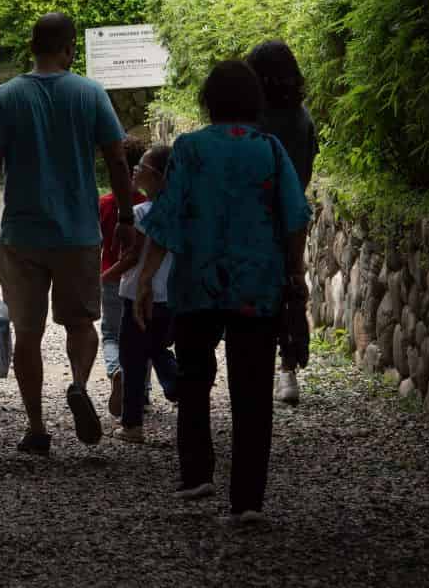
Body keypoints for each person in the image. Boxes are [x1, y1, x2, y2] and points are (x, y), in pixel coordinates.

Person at [134, 59, 311, 522]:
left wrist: (147, 280)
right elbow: (295, 218)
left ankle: (197, 476)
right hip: (258, 283)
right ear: (253, 101)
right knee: (252, 392)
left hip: (198, 283)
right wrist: (295, 273)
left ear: (209, 101)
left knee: (194, 380)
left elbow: (166, 216)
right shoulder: (270, 149)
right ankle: (247, 501)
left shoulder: (191, 149)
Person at [0, 12, 135, 455]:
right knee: (81, 323)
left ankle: (37, 426)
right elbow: (117, 160)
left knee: (28, 334)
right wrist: (128, 217)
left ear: (31, 46)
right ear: (69, 48)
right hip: (78, 232)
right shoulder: (90, 92)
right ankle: (78, 383)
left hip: (22, 234)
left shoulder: (6, 97)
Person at [246, 40, 319, 406]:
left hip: (252, 216)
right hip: (291, 216)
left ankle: (253, 362)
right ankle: (287, 369)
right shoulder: (302, 118)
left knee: (252, 289)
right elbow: (304, 172)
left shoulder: (250, 121)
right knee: (291, 284)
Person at [104, 143, 178, 442]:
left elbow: (133, 256)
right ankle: (175, 383)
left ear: (158, 177)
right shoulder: (178, 212)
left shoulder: (139, 212)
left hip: (137, 294)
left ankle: (132, 424)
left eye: (141, 168)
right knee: (158, 348)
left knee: (132, 357)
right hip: (168, 296)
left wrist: (105, 276)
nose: (135, 172)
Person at [98, 137, 153, 416]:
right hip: (142, 281)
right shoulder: (147, 205)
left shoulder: (104, 204)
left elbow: (96, 242)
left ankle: (115, 370)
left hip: (109, 277)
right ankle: (141, 391)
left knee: (111, 334)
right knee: (142, 333)